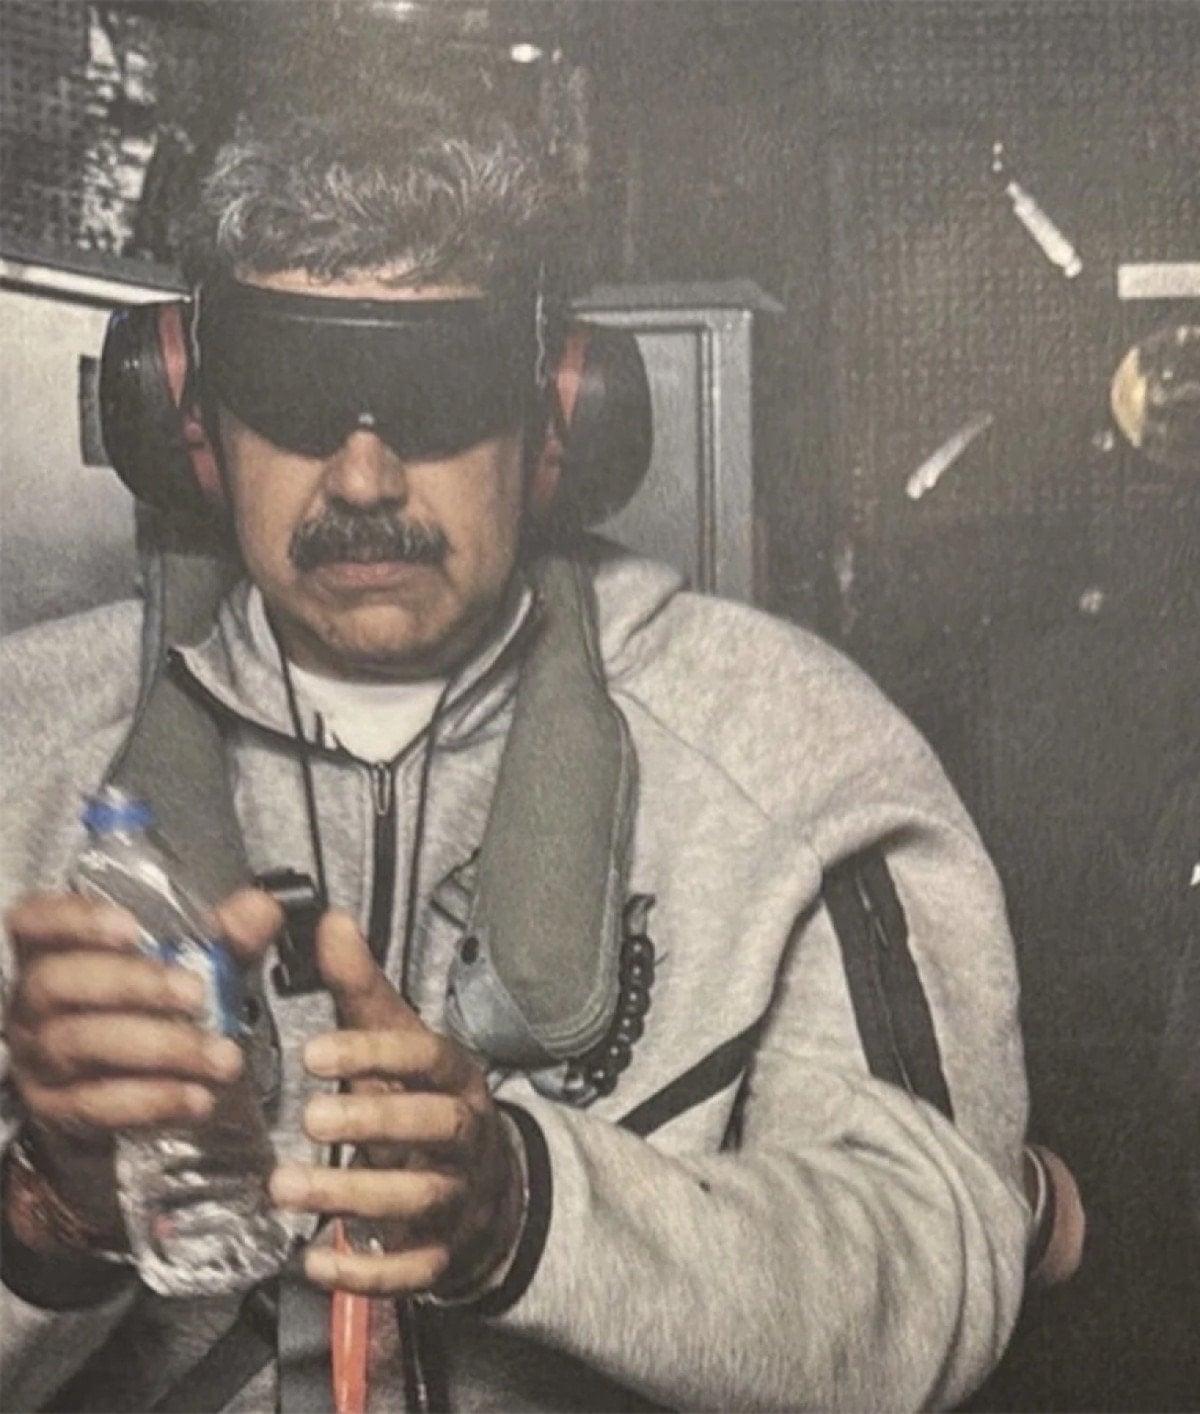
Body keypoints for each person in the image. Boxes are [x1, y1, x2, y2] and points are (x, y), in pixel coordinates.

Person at [0, 69, 1032, 1413]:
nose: (362, 479)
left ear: (558, 417)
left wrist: (529, 1212)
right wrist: (55, 1209)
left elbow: (938, 1266)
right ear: (188, 413)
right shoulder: (24, 751)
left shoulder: (796, 749)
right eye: (298, 388)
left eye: (433, 390)